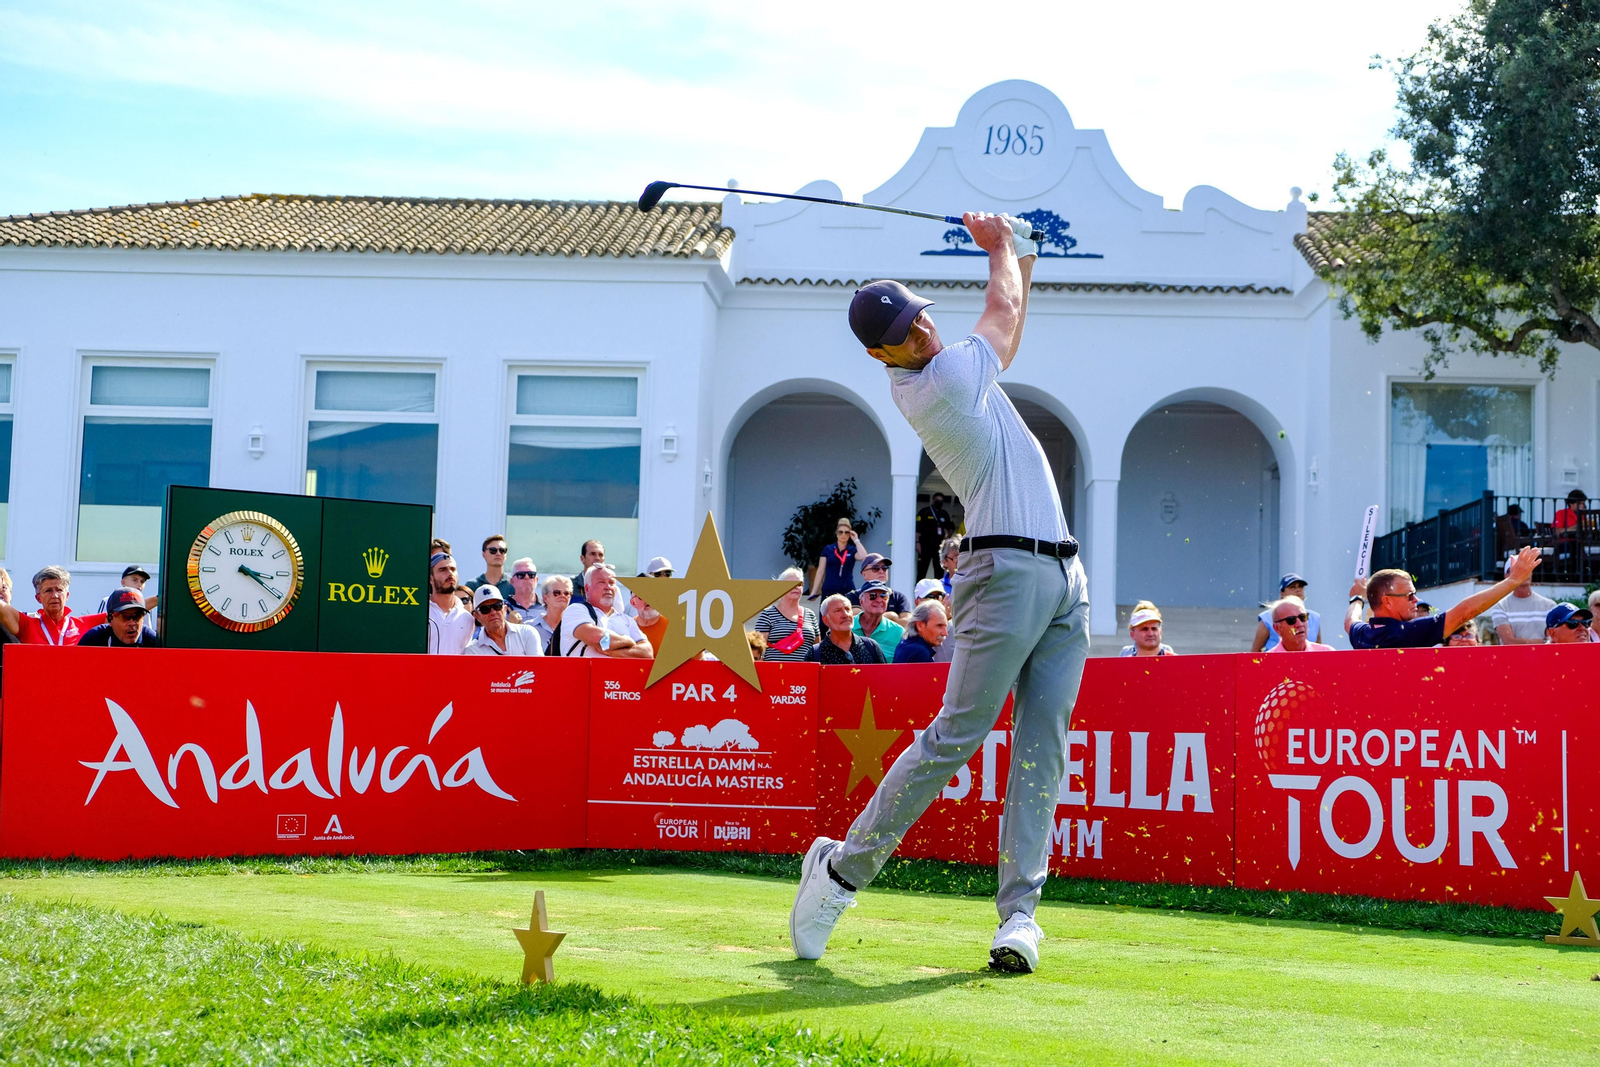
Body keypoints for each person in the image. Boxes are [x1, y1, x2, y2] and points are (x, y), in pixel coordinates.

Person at [792, 211, 1087, 978]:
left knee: (1043, 746)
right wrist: (999, 248)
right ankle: (841, 871)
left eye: (920, 315)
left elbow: (1013, 313)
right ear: (880, 354)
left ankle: (1020, 916)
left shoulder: (962, 371)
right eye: (903, 330)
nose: (920, 329)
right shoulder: (940, 382)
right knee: (956, 735)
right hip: (1003, 573)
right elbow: (1005, 311)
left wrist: (1022, 253)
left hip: (1065, 578)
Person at [1346, 545, 1541, 649]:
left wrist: (1357, 599)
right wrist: (1513, 581)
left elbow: (1350, 622)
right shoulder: (1404, 633)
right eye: (1410, 595)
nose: (1416, 600)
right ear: (1387, 601)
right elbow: (1465, 612)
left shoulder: (1363, 635)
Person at [0, 566, 119, 645]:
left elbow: (122, 615)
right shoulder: (27, 625)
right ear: (38, 598)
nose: (55, 595)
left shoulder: (83, 624)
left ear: (67, 595)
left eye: (59, 590)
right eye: (48, 591)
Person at [553, 564, 652, 659]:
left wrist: (612, 652)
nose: (608, 587)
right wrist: (628, 640)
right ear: (587, 588)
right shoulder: (576, 610)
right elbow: (597, 639)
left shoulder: (627, 620)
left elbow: (647, 652)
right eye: (601, 582)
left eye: (611, 583)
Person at [1488, 555, 1557, 645]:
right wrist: (1543, 641)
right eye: (1518, 569)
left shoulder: (1550, 606)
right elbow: (1509, 642)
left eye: (1527, 569)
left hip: (1543, 654)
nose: (1524, 573)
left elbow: (1553, 640)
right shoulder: (1500, 607)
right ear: (1507, 575)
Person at [755, 568, 819, 662]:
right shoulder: (767, 614)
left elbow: (817, 649)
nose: (796, 587)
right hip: (776, 669)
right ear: (780, 587)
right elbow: (756, 649)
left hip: (805, 670)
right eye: (791, 583)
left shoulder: (810, 615)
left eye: (799, 584)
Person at [805, 594, 886, 665]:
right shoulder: (815, 654)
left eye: (847, 609)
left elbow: (884, 676)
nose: (845, 615)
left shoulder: (871, 647)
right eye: (838, 610)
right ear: (826, 620)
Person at [464, 585, 544, 656]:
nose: (493, 612)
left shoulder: (527, 633)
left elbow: (538, 667)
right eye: (485, 609)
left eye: (497, 606)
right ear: (476, 616)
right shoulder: (472, 651)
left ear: (505, 609)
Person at [1251, 574, 1321, 652]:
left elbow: (1319, 652)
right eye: (1293, 587)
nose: (1298, 590)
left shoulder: (1314, 617)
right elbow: (1255, 652)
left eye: (1301, 586)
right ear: (1282, 592)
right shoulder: (1267, 618)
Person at [77, 588, 163, 647]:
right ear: (110, 619)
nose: (132, 623)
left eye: (137, 616)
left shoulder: (153, 642)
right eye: (124, 617)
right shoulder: (93, 640)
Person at [425, 553, 474, 655]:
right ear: (430, 578)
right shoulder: (422, 613)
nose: (450, 573)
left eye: (453, 569)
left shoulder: (467, 618)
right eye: (443, 570)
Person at [809, 518, 865, 601]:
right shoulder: (828, 549)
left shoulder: (852, 550)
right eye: (840, 532)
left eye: (846, 532)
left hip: (847, 589)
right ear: (836, 534)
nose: (843, 535)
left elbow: (863, 556)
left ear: (850, 534)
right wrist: (814, 591)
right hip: (829, 589)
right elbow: (820, 571)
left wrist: (856, 540)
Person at [96, 565, 159, 637]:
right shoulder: (108, 601)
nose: (139, 584)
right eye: (134, 580)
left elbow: (146, 632)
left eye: (142, 581)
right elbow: (101, 626)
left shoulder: (145, 608)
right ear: (123, 582)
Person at [848, 554, 910, 624]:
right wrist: (892, 616)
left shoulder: (898, 597)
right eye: (875, 568)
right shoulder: (853, 596)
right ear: (864, 574)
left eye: (884, 568)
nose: (881, 571)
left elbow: (907, 621)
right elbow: (858, 618)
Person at [851, 580, 904, 660]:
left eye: (883, 596)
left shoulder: (898, 632)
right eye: (873, 595)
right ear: (861, 602)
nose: (879, 600)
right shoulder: (847, 627)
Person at [1264, 598, 1332, 652]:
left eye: (1303, 617)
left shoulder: (1327, 654)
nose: (1300, 624)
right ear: (1277, 628)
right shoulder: (1267, 661)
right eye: (1291, 620)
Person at [465, 534, 516, 602]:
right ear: (484, 554)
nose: (498, 553)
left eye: (502, 550)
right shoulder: (472, 585)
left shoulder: (514, 584)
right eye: (493, 550)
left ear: (505, 555)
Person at [916, 493, 954, 581]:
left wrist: (947, 538)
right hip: (925, 545)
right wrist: (917, 543)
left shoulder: (944, 514)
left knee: (939, 570)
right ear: (933, 500)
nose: (939, 502)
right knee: (922, 570)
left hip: (939, 546)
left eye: (941, 501)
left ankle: (939, 588)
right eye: (937, 500)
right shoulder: (924, 512)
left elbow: (951, 527)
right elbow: (917, 529)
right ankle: (918, 587)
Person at [533, 575, 572, 650]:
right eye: (557, 592)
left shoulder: (575, 628)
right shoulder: (530, 627)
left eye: (566, 593)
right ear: (545, 598)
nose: (562, 596)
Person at [570, 540, 606, 604]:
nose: (597, 558)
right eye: (593, 554)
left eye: (600, 555)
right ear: (582, 558)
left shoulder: (610, 587)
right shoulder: (570, 585)